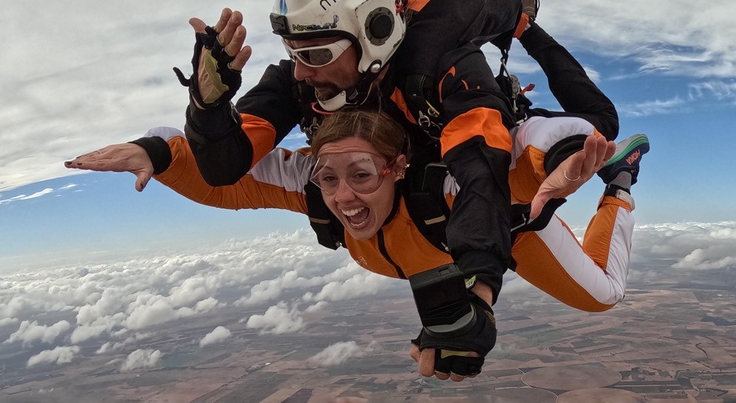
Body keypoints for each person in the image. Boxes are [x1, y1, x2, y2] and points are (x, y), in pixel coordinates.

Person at [178, 0, 618, 320]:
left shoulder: (443, 65)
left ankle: (525, 24)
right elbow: (224, 166)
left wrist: (481, 290)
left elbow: (482, 172)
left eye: (313, 55)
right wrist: (208, 107)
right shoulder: (297, 83)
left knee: (603, 136)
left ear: (374, 34)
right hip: (430, 212)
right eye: (292, 53)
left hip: (492, 219)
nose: (299, 74)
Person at [66, 109, 649, 381]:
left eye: (362, 176)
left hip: (508, 226)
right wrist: (156, 152)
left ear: (397, 168)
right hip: (435, 262)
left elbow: (524, 145)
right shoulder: (315, 190)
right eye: (329, 176)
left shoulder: (451, 187)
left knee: (602, 295)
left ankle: (621, 185)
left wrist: (571, 152)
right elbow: (223, 174)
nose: (343, 197)